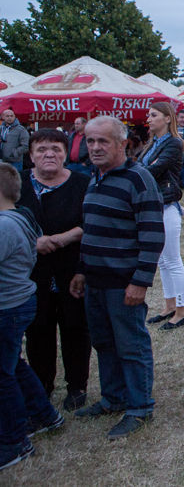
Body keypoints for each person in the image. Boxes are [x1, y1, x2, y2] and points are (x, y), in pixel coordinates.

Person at [69, 116, 164, 439]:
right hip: (95, 280)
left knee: (131, 345)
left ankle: (140, 407)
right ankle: (113, 398)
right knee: (104, 343)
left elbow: (153, 235)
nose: (95, 147)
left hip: (123, 283)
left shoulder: (139, 179)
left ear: (122, 144)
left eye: (103, 141)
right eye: (90, 141)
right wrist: (81, 270)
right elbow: (91, 229)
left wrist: (140, 281)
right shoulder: (95, 177)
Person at [18, 130, 92, 410]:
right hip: (31, 273)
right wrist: (32, 241)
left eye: (56, 149)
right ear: (31, 155)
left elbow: (93, 221)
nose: (49, 154)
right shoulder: (17, 184)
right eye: (41, 149)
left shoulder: (83, 183)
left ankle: (77, 386)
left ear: (65, 154)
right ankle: (42, 386)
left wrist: (66, 237)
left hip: (73, 270)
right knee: (38, 329)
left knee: (76, 327)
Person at [0, 163, 65, 471]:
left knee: (2, 376)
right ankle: (43, 415)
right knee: (12, 364)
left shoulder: (4, 226)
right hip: (18, 302)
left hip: (7, 306)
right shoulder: (20, 216)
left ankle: (14, 443)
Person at [137, 103, 184, 330]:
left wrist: (132, 173)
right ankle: (170, 306)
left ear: (168, 118)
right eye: (148, 115)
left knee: (173, 260)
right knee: (163, 261)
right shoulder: (153, 143)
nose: (148, 119)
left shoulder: (174, 142)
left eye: (153, 115)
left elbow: (151, 170)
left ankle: (181, 311)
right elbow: (142, 167)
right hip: (154, 205)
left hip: (167, 205)